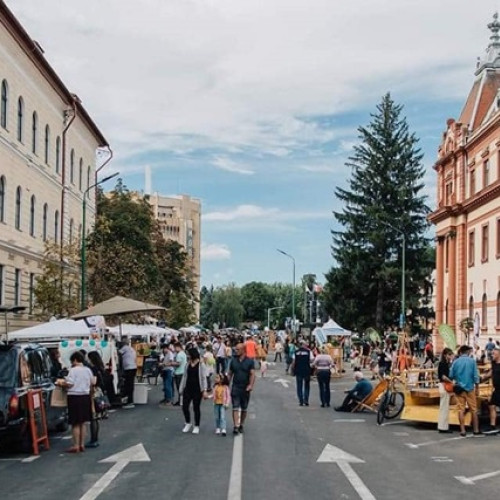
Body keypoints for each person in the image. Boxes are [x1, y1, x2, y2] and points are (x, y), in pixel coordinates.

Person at [56, 351, 95, 453]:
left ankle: (76, 445)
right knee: (83, 423)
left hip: (74, 397)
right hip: (85, 396)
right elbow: (92, 383)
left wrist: (61, 384)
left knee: (75, 423)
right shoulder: (88, 370)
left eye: (72, 361)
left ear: (75, 360)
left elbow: (70, 384)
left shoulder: (73, 371)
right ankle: (82, 444)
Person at [449, 344, 481, 437]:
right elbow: (476, 375)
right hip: (470, 388)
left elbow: (451, 375)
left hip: (459, 389)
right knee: (474, 410)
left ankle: (462, 431)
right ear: (467, 352)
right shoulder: (472, 361)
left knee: (461, 409)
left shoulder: (455, 362)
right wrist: (477, 387)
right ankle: (476, 430)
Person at [228, 342, 255, 435]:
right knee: (235, 407)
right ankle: (235, 426)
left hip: (245, 387)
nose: (236, 351)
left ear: (243, 350)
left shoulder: (250, 361)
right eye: (235, 349)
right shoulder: (233, 361)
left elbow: (252, 374)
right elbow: (230, 373)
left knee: (244, 408)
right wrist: (226, 384)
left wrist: (250, 385)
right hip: (235, 386)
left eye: (238, 349)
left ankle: (241, 424)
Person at [179, 348, 208, 434]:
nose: (187, 356)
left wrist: (204, 390)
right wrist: (181, 388)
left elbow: (203, 378)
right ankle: (188, 422)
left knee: (196, 408)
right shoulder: (187, 364)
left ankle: (196, 425)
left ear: (193, 355)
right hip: (187, 388)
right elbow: (184, 376)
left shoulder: (201, 364)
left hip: (197, 389)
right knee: (184, 406)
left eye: (189, 354)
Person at [480, 346, 500, 434]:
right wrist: (483, 377)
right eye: (492, 354)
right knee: (491, 405)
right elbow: (491, 372)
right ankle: (492, 425)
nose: (492, 355)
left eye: (494, 354)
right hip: (497, 388)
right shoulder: (494, 363)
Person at [291, 340, 313, 406]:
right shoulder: (309, 352)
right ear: (304, 344)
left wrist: (292, 370)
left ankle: (301, 400)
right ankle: (306, 400)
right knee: (307, 385)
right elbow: (312, 360)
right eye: (305, 344)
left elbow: (293, 362)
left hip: (298, 370)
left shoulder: (296, 352)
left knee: (299, 386)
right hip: (306, 370)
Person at [437, 347, 454, 433]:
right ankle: (443, 427)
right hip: (444, 386)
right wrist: (451, 382)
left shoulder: (444, 363)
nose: (451, 356)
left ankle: (442, 426)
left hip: (442, 385)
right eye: (449, 355)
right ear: (445, 355)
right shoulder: (443, 364)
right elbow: (443, 376)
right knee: (444, 408)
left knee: (443, 407)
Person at [119, 339, 137, 409]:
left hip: (129, 368)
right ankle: (129, 400)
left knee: (128, 385)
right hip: (133, 367)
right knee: (130, 384)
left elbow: (117, 353)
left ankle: (129, 401)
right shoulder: (131, 349)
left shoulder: (125, 348)